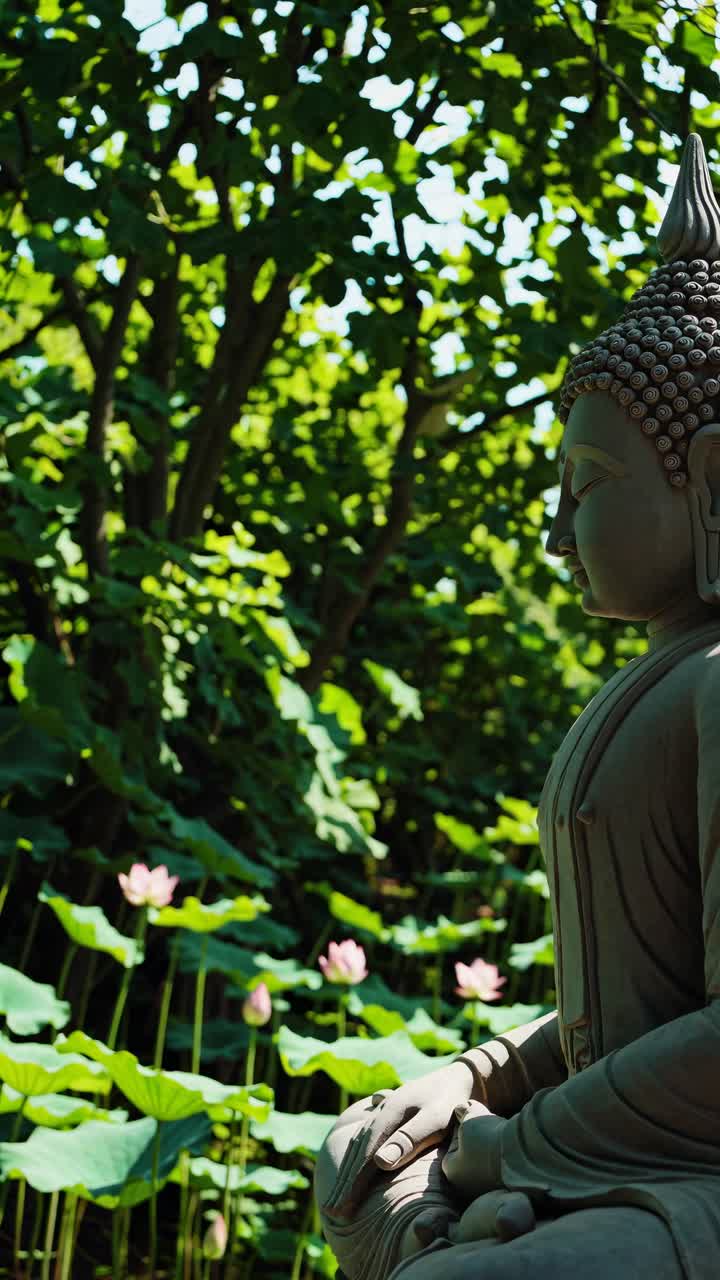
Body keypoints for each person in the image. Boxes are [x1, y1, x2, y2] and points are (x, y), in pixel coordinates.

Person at [316, 134, 720, 1280]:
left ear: (717, 482)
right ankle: (451, 1227)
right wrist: (472, 1077)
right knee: (354, 1152)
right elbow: (635, 1011)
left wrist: (513, 1144)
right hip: (606, 1144)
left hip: (695, 1173)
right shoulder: (667, 680)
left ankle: (464, 1237)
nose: (554, 531)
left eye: (583, 485)